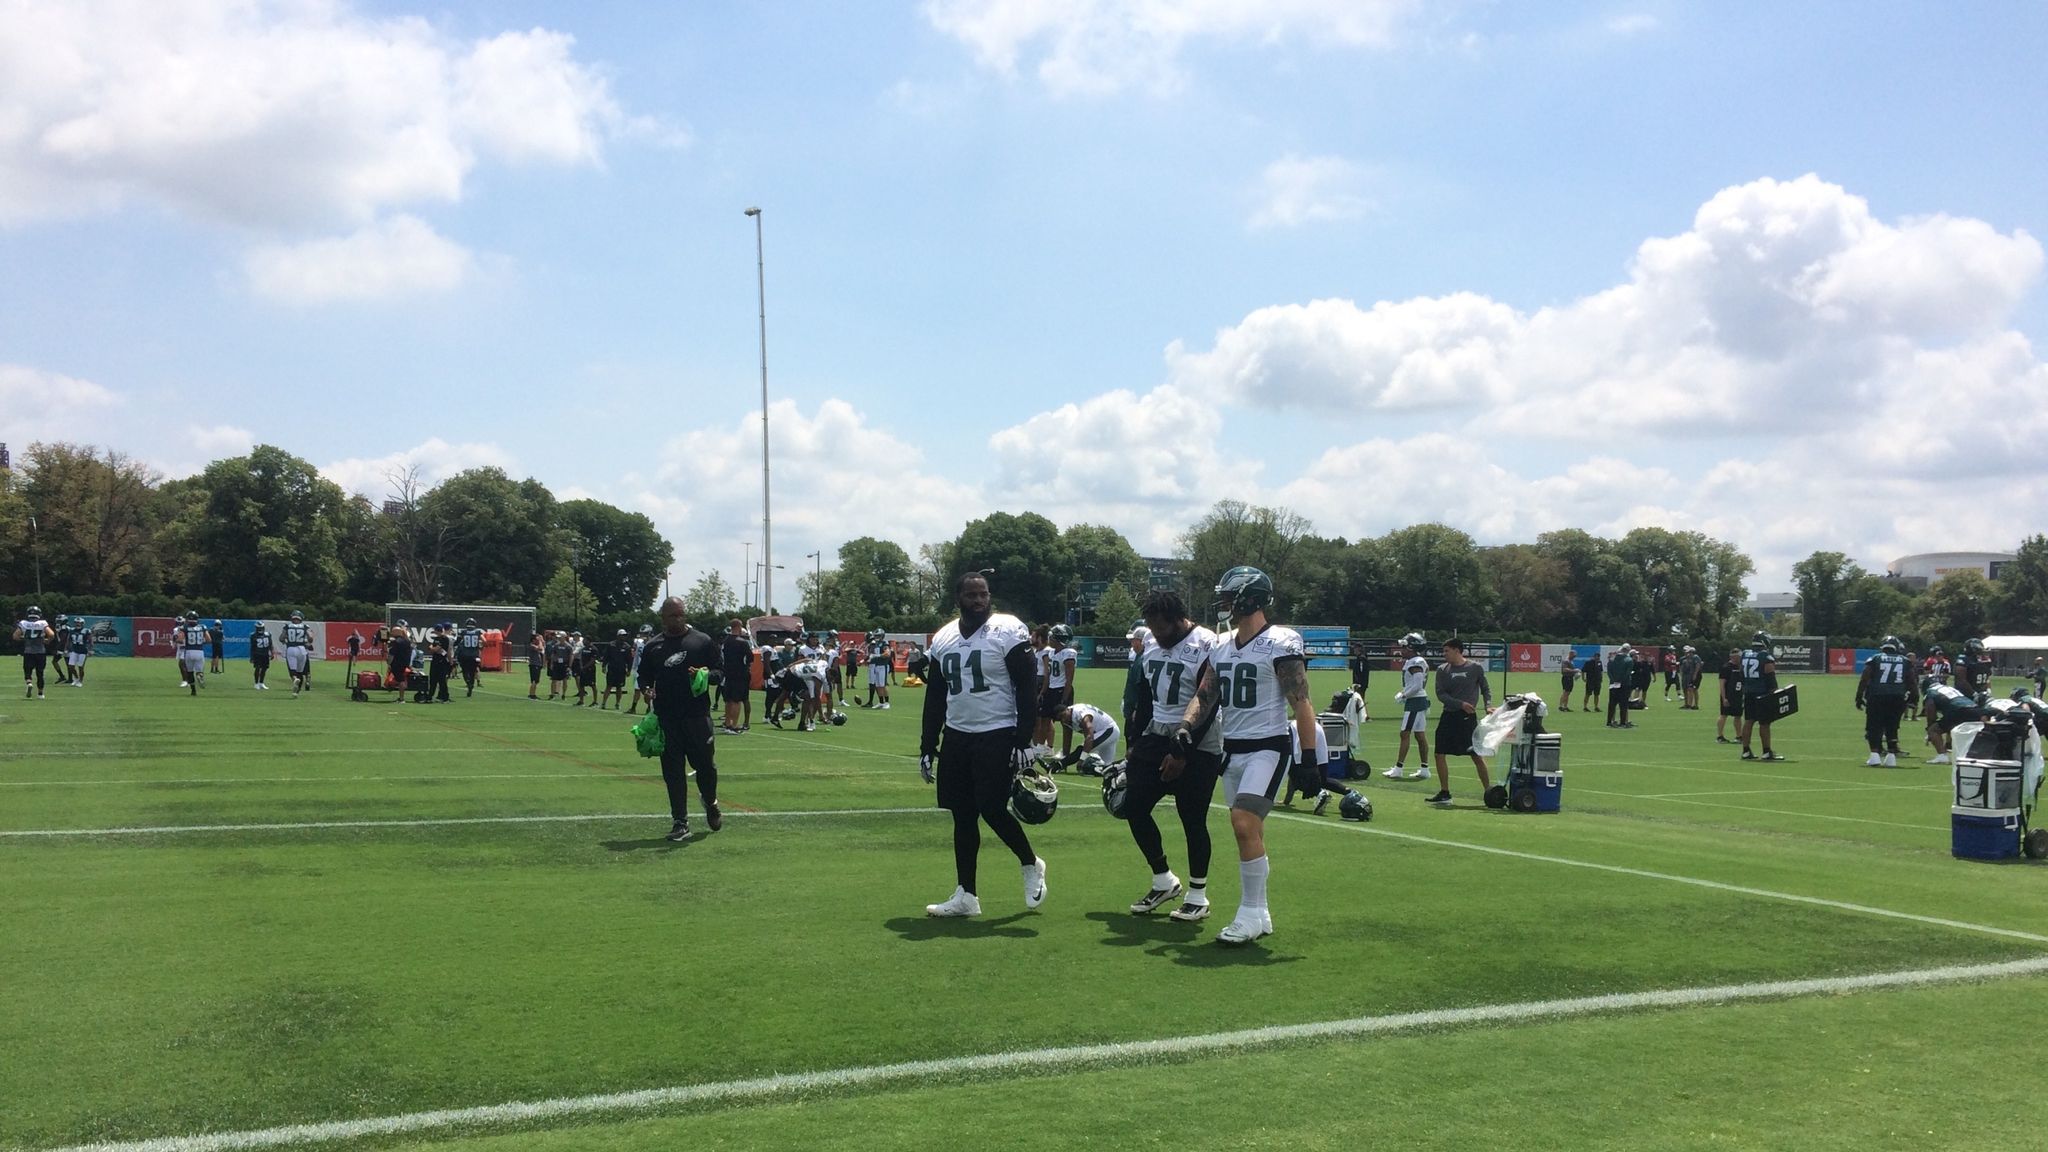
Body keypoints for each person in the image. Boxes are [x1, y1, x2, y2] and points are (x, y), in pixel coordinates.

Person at [1173, 566, 1316, 946]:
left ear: (1249, 598)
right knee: (1250, 832)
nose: (1223, 603)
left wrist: (1310, 759)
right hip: (1232, 749)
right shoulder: (1221, 646)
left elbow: (1301, 701)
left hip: (1267, 747)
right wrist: (1186, 727)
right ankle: (1261, 911)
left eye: (1228, 596)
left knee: (1242, 823)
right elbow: (1205, 695)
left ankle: (1249, 914)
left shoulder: (1280, 642)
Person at [920, 572, 1045, 918]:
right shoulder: (943, 638)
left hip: (997, 731)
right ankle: (967, 894)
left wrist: (1023, 738)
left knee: (992, 808)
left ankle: (1030, 863)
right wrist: (927, 745)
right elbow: (935, 696)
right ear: (958, 597)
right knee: (962, 815)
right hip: (958, 734)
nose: (979, 601)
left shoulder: (1006, 631)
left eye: (984, 594)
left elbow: (1025, 687)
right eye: (972, 595)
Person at [1121, 592, 1219, 921]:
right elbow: (1147, 694)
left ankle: (1198, 895)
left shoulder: (1207, 643)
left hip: (1199, 740)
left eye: (1161, 628)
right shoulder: (1149, 640)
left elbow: (1210, 701)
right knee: (1131, 805)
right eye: (1151, 627)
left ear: (1179, 620)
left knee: (1192, 818)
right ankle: (1163, 879)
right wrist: (1135, 740)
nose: (1156, 634)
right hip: (1157, 732)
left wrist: (1183, 751)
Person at [641, 597, 725, 842]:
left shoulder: (702, 641)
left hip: (697, 716)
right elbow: (644, 676)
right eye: (672, 616)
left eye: (681, 614)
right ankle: (680, 821)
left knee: (706, 767)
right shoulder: (653, 647)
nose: (677, 619)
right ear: (663, 618)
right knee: (673, 771)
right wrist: (646, 689)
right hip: (667, 718)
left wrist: (705, 675)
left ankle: (710, 802)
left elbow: (720, 673)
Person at [1426, 637, 1494, 806]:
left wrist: (1488, 705)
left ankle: (1489, 792)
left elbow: (1485, 688)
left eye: (1447, 651)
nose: (1444, 654)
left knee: (1476, 754)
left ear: (1457, 650)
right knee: (1439, 753)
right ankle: (1445, 792)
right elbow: (1441, 694)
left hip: (1467, 719)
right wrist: (1460, 704)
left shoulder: (1475, 668)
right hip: (1449, 716)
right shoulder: (1442, 670)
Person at [1855, 635, 1916, 767]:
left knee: (1874, 726)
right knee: (1892, 726)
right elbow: (1912, 681)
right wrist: (1914, 698)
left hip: (1877, 696)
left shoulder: (1875, 658)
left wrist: (1859, 696)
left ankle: (1874, 755)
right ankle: (1891, 756)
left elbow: (1864, 678)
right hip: (1897, 697)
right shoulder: (1905, 661)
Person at [1385, 632, 1432, 780]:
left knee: (1405, 734)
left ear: (1411, 648)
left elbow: (1417, 685)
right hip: (1418, 700)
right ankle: (1424, 768)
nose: (1402, 649)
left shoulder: (1415, 661)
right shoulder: (1414, 660)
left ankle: (1399, 768)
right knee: (1419, 735)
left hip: (1415, 702)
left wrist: (1404, 695)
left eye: (1404, 647)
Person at [1738, 631, 1783, 761]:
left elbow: (1741, 673)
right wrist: (1774, 691)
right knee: (1764, 723)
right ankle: (1767, 751)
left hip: (1748, 692)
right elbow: (1770, 676)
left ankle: (1746, 751)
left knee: (1748, 721)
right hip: (1762, 692)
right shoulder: (1765, 656)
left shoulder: (1745, 654)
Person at [1056, 701, 1121, 768]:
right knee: (1107, 767)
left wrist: (1081, 759)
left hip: (1109, 730)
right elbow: (1067, 740)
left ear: (1068, 710)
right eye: (1060, 719)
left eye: (1063, 716)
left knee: (1081, 750)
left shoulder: (1082, 715)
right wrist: (1065, 758)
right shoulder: (1067, 718)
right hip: (1102, 732)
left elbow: (1090, 738)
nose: (1063, 720)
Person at [1046, 625, 1078, 752]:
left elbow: (1069, 679)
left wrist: (1064, 698)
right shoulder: (1051, 651)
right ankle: (1045, 747)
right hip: (1051, 689)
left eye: (1052, 637)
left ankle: (1065, 752)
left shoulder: (1068, 653)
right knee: (1046, 719)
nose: (1049, 639)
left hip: (1062, 689)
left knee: (1066, 723)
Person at [720, 620, 752, 733]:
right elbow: (750, 658)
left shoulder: (725, 641)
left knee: (728, 700)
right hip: (740, 674)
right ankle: (734, 725)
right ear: (738, 627)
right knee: (736, 700)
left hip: (727, 673)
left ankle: (727, 723)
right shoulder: (742, 642)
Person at [13, 607, 50, 700]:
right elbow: (52, 634)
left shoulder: (24, 623)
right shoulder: (43, 623)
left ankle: (29, 683)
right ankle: (40, 694)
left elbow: (15, 636)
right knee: (40, 673)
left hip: (29, 651)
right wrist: (47, 640)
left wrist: (24, 638)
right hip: (40, 651)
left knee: (28, 671)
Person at [281, 611, 315, 696]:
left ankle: (294, 679)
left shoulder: (287, 626)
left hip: (291, 648)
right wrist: (308, 642)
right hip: (302, 649)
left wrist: (285, 641)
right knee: (300, 672)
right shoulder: (305, 626)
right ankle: (296, 691)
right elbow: (310, 637)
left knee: (292, 670)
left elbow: (281, 638)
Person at [177, 611, 209, 694]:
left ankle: (193, 691)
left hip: (189, 651)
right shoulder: (202, 627)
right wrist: (201, 642)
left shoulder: (184, 627)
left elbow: (180, 640)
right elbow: (209, 639)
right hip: (199, 651)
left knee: (190, 672)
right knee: (199, 671)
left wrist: (177, 640)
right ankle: (199, 675)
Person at [600, 629, 633, 709]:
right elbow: (606, 656)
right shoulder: (611, 645)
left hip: (621, 670)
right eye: (622, 635)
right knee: (609, 686)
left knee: (619, 687)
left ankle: (617, 703)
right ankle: (603, 703)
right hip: (612, 669)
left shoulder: (627, 646)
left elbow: (629, 660)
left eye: (625, 635)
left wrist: (629, 670)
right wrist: (604, 666)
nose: (624, 637)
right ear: (618, 636)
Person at [1716, 647, 1743, 744]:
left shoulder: (1741, 667)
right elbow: (1722, 684)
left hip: (1738, 695)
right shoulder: (1726, 667)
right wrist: (1724, 698)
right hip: (1728, 695)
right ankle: (1720, 736)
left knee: (1738, 716)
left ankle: (1739, 736)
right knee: (1724, 715)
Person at [1606, 645, 1636, 728]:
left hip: (1613, 684)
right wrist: (1620, 681)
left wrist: (1614, 680)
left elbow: (1609, 672)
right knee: (1623, 704)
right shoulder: (1629, 660)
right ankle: (1622, 722)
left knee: (1612, 704)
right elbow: (1627, 673)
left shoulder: (1612, 659)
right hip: (1624, 684)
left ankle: (1609, 721)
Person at [455, 618, 485, 697]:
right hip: (474, 655)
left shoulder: (463, 632)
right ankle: (471, 684)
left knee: (465, 671)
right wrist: (480, 647)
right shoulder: (478, 632)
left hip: (465, 655)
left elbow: (457, 642)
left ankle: (468, 683)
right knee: (473, 671)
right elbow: (484, 641)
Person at [386, 622, 415, 700]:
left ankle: (401, 698)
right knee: (400, 678)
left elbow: (392, 654)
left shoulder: (396, 642)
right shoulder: (407, 641)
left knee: (400, 679)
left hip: (397, 663)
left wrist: (389, 662)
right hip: (405, 662)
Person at [64, 616, 90, 686]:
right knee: (70, 666)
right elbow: (68, 640)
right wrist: (66, 648)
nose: (78, 624)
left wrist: (90, 650)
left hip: (83, 651)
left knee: (80, 667)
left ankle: (80, 681)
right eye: (76, 623)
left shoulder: (86, 630)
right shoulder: (72, 630)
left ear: (82, 623)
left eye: (79, 623)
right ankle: (76, 678)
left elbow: (91, 640)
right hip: (74, 650)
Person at [546, 630, 571, 701]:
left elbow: (571, 656)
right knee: (553, 679)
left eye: (560, 637)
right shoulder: (556, 645)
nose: (559, 638)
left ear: (564, 637)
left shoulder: (568, 646)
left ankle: (564, 694)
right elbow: (553, 654)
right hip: (557, 664)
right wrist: (552, 663)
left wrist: (569, 666)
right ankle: (552, 694)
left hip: (564, 664)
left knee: (564, 680)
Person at [249, 621, 274, 689]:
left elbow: (270, 645)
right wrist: (252, 657)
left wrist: (272, 653)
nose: (260, 629)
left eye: (261, 627)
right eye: (258, 628)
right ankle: (256, 683)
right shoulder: (253, 635)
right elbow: (252, 647)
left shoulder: (268, 634)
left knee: (264, 669)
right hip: (257, 654)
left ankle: (261, 683)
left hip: (265, 654)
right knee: (257, 668)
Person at [1680, 645, 1704, 710]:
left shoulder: (1695, 657)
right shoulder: (1690, 658)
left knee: (1693, 689)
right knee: (1691, 689)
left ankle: (1694, 705)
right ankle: (1691, 705)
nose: (1688, 653)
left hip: (1697, 675)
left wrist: (1695, 675)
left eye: (1689, 652)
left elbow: (1697, 666)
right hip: (1692, 675)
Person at [526, 630, 546, 699]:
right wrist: (540, 641)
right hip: (534, 665)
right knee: (534, 680)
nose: (538, 641)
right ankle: (532, 694)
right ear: (533, 640)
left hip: (537, 664)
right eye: (536, 640)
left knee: (536, 681)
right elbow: (540, 648)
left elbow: (542, 649)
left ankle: (532, 693)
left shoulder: (535, 645)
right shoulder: (532, 645)